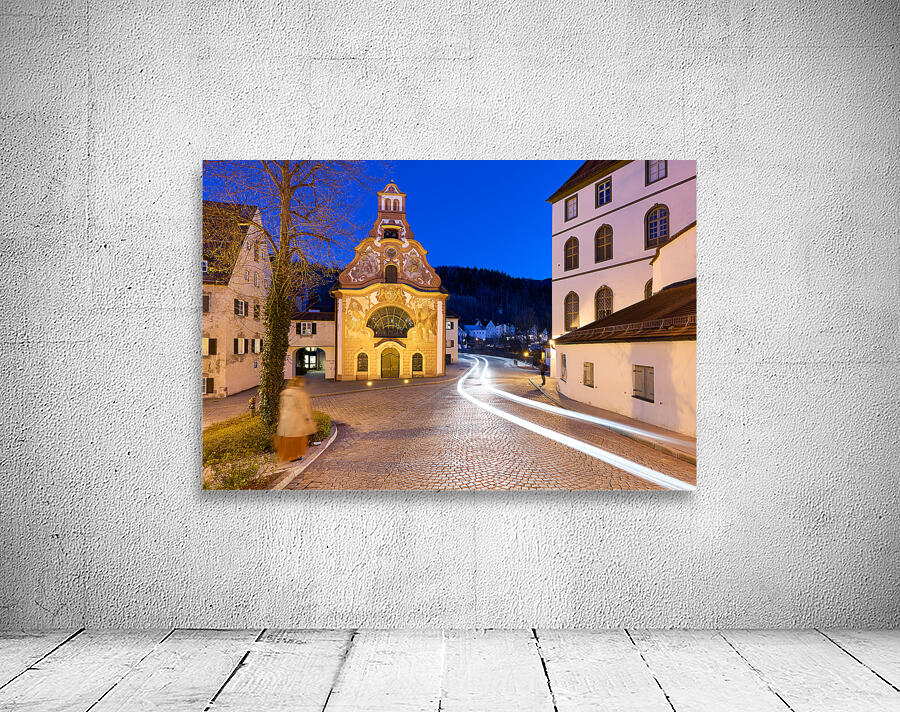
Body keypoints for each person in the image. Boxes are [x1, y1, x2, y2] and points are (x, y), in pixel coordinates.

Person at [275, 377, 317, 463]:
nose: (304, 384)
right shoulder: (300, 394)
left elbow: (281, 406)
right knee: (296, 439)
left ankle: (285, 456)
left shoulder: (284, 392)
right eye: (302, 382)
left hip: (285, 418)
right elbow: (304, 408)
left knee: (286, 438)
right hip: (296, 419)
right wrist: (308, 418)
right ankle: (293, 456)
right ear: (299, 383)